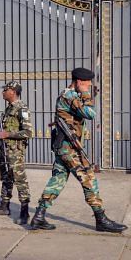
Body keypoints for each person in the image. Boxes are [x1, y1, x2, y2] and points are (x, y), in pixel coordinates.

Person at [30, 68, 127, 233]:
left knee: (58, 180)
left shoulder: (67, 95)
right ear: (80, 82)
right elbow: (90, 113)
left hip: (65, 146)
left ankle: (39, 216)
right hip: (69, 148)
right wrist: (86, 95)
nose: (89, 85)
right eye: (87, 82)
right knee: (89, 178)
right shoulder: (70, 96)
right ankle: (100, 219)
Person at [0, 81, 32, 224]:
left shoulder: (21, 108)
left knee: (20, 180)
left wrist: (7, 134)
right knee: (6, 178)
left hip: (15, 151)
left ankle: (25, 211)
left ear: (13, 91)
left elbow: (27, 132)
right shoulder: (8, 109)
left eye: (5, 90)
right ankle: (4, 206)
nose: (3, 92)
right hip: (5, 150)